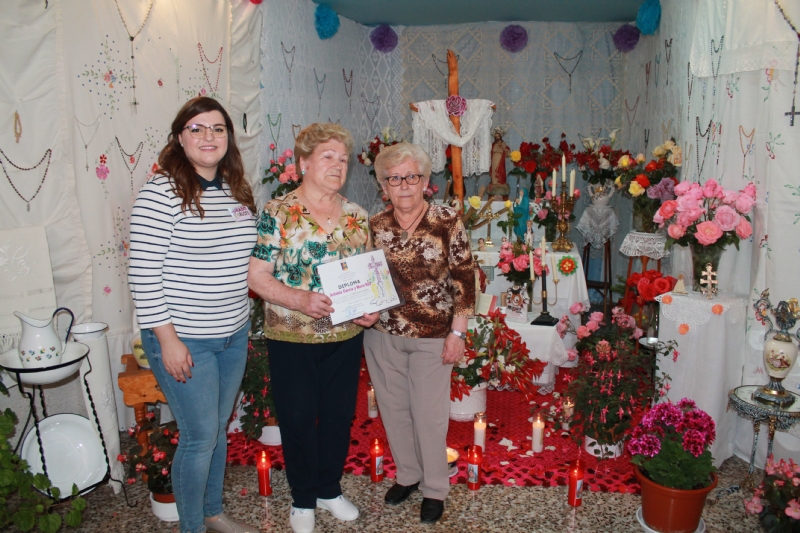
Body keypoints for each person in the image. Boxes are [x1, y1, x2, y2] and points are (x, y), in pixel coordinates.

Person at [129, 97, 258, 533]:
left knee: (216, 430)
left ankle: (212, 511)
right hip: (185, 338)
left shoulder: (236, 189)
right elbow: (142, 274)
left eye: (218, 128)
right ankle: (192, 527)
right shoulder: (161, 192)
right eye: (197, 128)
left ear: (228, 137)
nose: (209, 137)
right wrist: (167, 340)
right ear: (180, 137)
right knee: (200, 435)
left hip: (232, 333)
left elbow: (245, 261)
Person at [247, 123, 378, 533]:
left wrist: (370, 308)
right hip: (292, 336)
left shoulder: (357, 215)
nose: (338, 165)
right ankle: (303, 498)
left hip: (344, 336)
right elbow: (257, 277)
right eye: (328, 156)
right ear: (303, 162)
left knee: (339, 416)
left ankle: (328, 489)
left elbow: (367, 274)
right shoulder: (278, 212)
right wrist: (301, 299)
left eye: (343, 159)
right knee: (299, 416)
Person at [364, 143, 476, 524]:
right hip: (382, 334)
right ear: (385, 187)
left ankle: (435, 487)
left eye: (412, 177)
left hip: (433, 336)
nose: (404, 186)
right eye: (395, 179)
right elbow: (366, 279)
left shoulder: (447, 220)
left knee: (429, 417)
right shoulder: (376, 225)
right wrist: (362, 310)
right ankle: (408, 475)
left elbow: (465, 278)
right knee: (394, 412)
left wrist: (458, 333)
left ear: (426, 182)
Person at [489, 126, 510, 199]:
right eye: (496, 136)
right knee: (494, 171)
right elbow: (491, 151)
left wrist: (505, 150)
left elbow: (507, 151)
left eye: (498, 136)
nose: (497, 137)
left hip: (500, 159)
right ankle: (494, 183)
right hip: (494, 158)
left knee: (500, 171)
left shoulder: (503, 143)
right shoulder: (493, 144)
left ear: (500, 136)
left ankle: (500, 183)